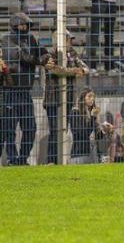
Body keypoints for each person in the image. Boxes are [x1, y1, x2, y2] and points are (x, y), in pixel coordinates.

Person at [1, 13, 49, 165]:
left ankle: (22, 158)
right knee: (10, 129)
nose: (24, 28)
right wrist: (38, 61)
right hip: (11, 89)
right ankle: (11, 158)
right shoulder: (7, 39)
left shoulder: (31, 38)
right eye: (21, 25)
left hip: (26, 91)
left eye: (26, 25)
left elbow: (40, 50)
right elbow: (19, 55)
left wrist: (46, 55)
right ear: (14, 25)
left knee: (30, 127)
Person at [43, 30, 89, 164]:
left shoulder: (73, 53)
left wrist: (82, 71)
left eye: (70, 40)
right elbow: (55, 70)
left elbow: (85, 67)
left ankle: (62, 159)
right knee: (55, 131)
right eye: (68, 39)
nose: (70, 42)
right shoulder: (49, 55)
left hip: (68, 97)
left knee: (64, 130)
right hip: (53, 99)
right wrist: (74, 71)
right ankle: (51, 160)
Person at [69, 88, 114, 164]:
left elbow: (97, 136)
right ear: (83, 98)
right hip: (80, 153)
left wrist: (105, 130)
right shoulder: (75, 112)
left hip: (94, 153)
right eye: (89, 96)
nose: (92, 99)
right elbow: (83, 133)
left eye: (93, 97)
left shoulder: (92, 114)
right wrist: (93, 117)